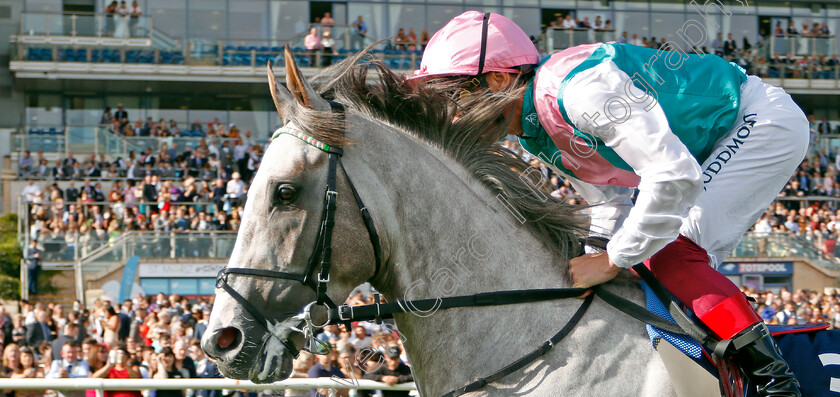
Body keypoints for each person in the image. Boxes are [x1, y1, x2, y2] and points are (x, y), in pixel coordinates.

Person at [411, 11, 806, 396]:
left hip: (756, 121)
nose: (452, 115)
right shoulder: (534, 128)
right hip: (702, 145)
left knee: (671, 253)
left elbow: (672, 175)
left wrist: (612, 260)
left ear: (498, 78)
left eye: (455, 96)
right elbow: (609, 200)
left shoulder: (580, 92)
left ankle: (776, 383)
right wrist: (596, 252)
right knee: (649, 258)